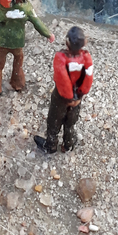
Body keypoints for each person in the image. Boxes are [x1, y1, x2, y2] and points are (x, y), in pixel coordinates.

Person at [34, 25, 93, 154]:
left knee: (54, 121)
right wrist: (79, 95)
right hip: (77, 96)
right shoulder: (86, 57)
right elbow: (88, 78)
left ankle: (51, 145)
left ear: (67, 43)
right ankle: (68, 143)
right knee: (70, 122)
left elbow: (63, 79)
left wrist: (68, 97)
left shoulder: (61, 57)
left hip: (61, 97)